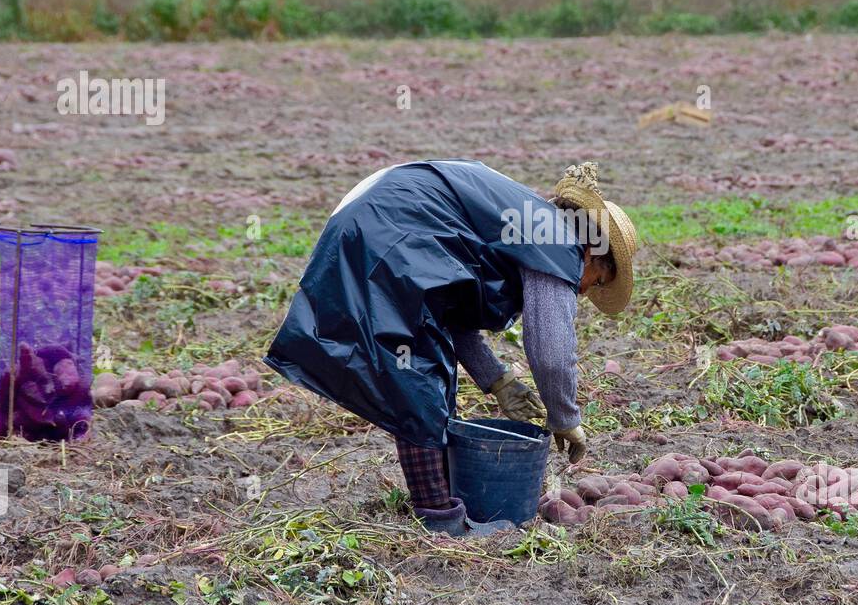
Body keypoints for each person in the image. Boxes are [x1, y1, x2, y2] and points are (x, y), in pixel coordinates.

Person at [264, 160, 639, 536]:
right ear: (591, 251)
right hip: (389, 227)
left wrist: (499, 381)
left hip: (381, 215)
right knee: (416, 378)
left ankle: (445, 498)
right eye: (597, 280)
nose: (585, 290)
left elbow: (449, 313)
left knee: (423, 365)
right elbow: (552, 353)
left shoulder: (534, 227)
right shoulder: (558, 245)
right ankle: (441, 521)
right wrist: (565, 418)